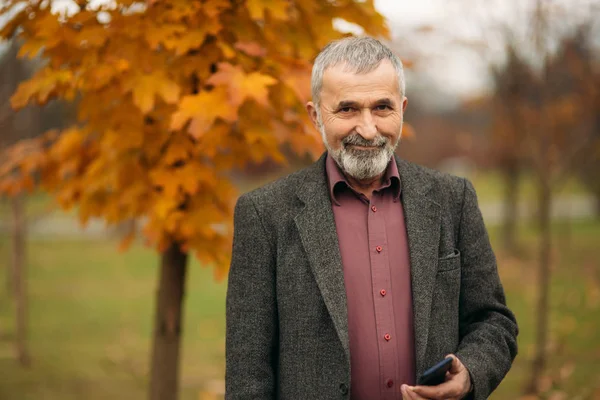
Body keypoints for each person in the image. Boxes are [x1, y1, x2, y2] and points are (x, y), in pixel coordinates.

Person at [225, 36, 518, 400]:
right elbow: (247, 371)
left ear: (402, 108)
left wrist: (470, 371)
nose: (367, 129)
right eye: (347, 109)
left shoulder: (452, 200)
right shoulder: (265, 214)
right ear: (315, 115)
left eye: (382, 107)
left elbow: (494, 321)